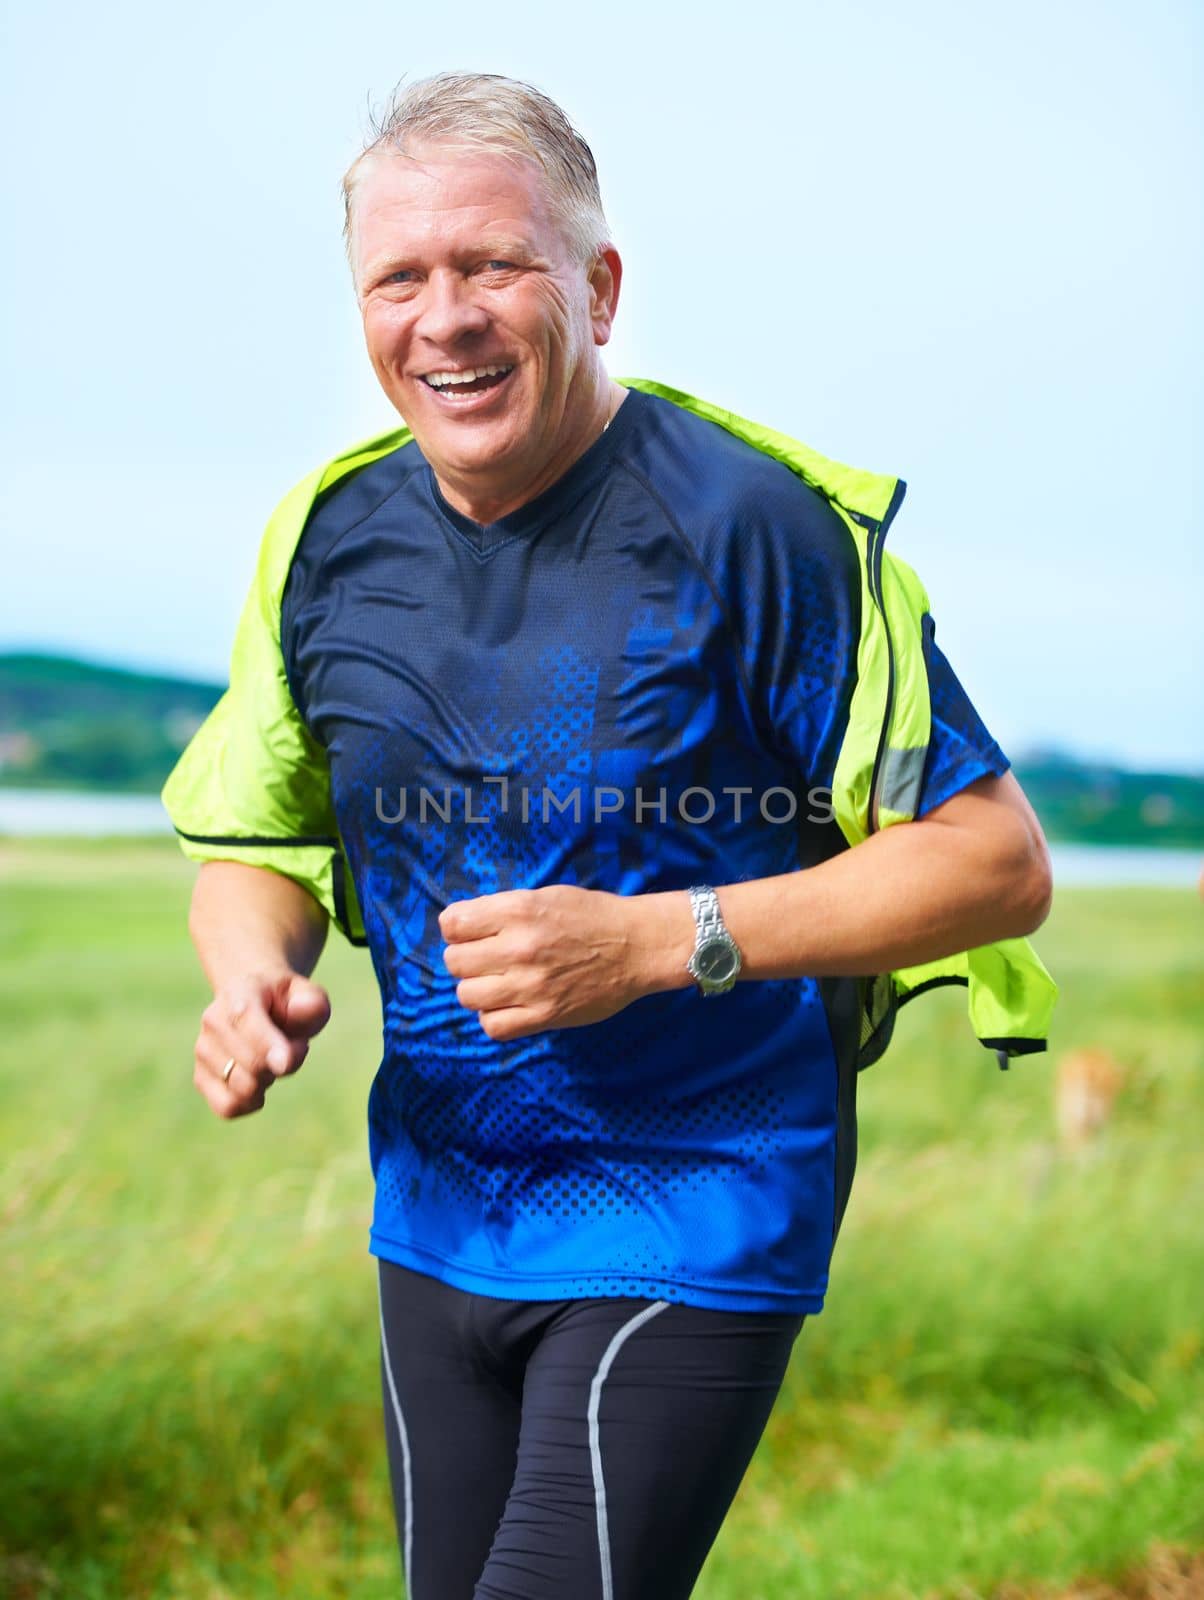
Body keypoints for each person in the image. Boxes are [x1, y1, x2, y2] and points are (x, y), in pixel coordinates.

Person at [162, 71, 1054, 1600]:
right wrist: (252, 977)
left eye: (494, 264)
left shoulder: (757, 527)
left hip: (696, 1195)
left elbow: (995, 863)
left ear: (599, 284)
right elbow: (259, 834)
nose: (445, 316)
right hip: (435, 1213)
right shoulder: (328, 536)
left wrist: (659, 942)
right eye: (401, 277)